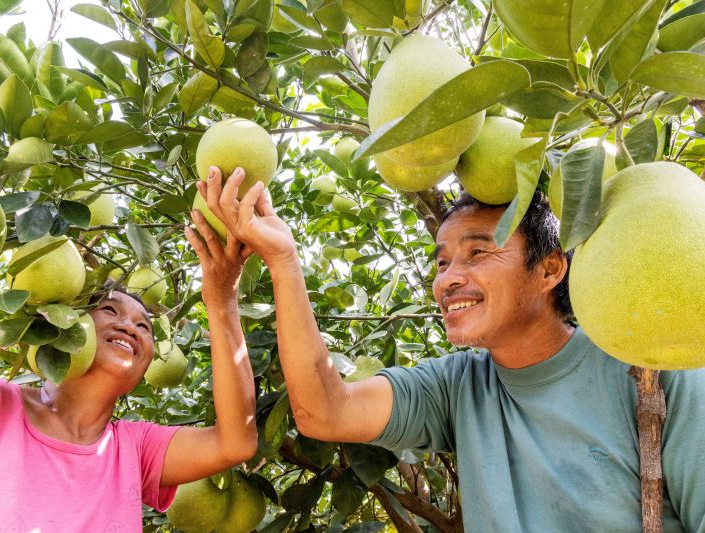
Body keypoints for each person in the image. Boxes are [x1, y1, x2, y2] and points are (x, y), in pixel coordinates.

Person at [197, 166, 705, 532]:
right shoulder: (458, 385)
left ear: (551, 269)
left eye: (478, 253)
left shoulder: (655, 373)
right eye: (442, 264)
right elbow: (323, 411)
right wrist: (283, 261)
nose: (449, 281)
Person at [0, 216, 257, 532]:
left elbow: (235, 442)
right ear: (65, 324)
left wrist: (222, 299)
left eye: (144, 326)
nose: (130, 327)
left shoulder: (133, 449)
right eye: (109, 309)